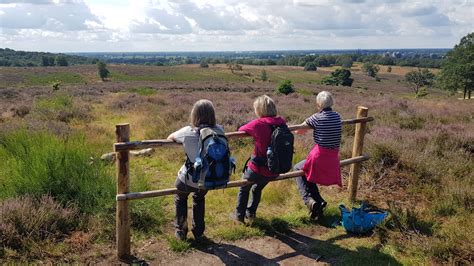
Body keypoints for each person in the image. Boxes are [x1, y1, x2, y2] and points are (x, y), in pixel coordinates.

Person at [167, 99, 221, 241]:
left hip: (189, 178)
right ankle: (198, 232)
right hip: (209, 178)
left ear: (194, 115)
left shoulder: (187, 132)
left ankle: (181, 231)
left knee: (180, 195)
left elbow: (169, 137)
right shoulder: (219, 130)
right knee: (199, 198)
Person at [233, 95, 287, 223]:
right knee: (257, 188)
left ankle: (239, 217)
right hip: (275, 168)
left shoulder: (258, 124)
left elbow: (241, 130)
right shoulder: (282, 122)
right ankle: (251, 212)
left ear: (259, 110)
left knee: (244, 187)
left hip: (258, 169)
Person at [294, 91, 342, 219]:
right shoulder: (337, 116)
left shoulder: (316, 118)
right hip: (333, 157)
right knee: (308, 173)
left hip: (319, 156)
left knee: (298, 168)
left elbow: (299, 131)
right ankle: (318, 203)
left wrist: (308, 121)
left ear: (318, 104)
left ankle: (309, 201)